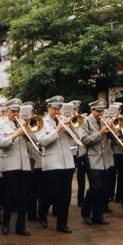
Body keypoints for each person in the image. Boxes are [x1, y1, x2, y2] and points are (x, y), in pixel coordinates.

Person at [34, 96, 75, 233]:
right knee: (52, 193)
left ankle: (62, 224)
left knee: (66, 196)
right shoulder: (42, 123)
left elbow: (77, 137)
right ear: (48, 108)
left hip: (67, 162)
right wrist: (57, 129)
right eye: (55, 108)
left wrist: (70, 125)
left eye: (59, 108)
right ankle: (43, 210)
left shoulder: (64, 120)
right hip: (52, 163)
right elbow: (43, 142)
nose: (57, 111)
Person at [0, 98, 32, 236]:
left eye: (18, 111)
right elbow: (0, 143)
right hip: (9, 165)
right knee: (12, 195)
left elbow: (35, 140)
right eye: (13, 111)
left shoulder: (23, 123)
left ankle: (21, 226)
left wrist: (27, 129)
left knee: (24, 197)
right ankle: (5, 223)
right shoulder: (0, 124)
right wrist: (16, 134)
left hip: (24, 164)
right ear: (7, 111)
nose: (16, 114)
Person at [79, 99, 114, 225]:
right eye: (98, 111)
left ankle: (98, 215)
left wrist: (112, 129)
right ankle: (86, 212)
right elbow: (84, 140)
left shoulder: (103, 121)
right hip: (93, 159)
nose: (100, 113)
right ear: (92, 110)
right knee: (95, 188)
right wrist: (100, 133)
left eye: (102, 111)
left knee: (104, 189)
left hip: (105, 159)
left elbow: (114, 140)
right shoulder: (85, 122)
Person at [109, 102, 123, 203]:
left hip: (121, 150)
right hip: (112, 150)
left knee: (121, 174)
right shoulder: (108, 120)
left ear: (119, 110)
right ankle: (110, 194)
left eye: (116, 110)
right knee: (111, 174)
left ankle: (119, 195)